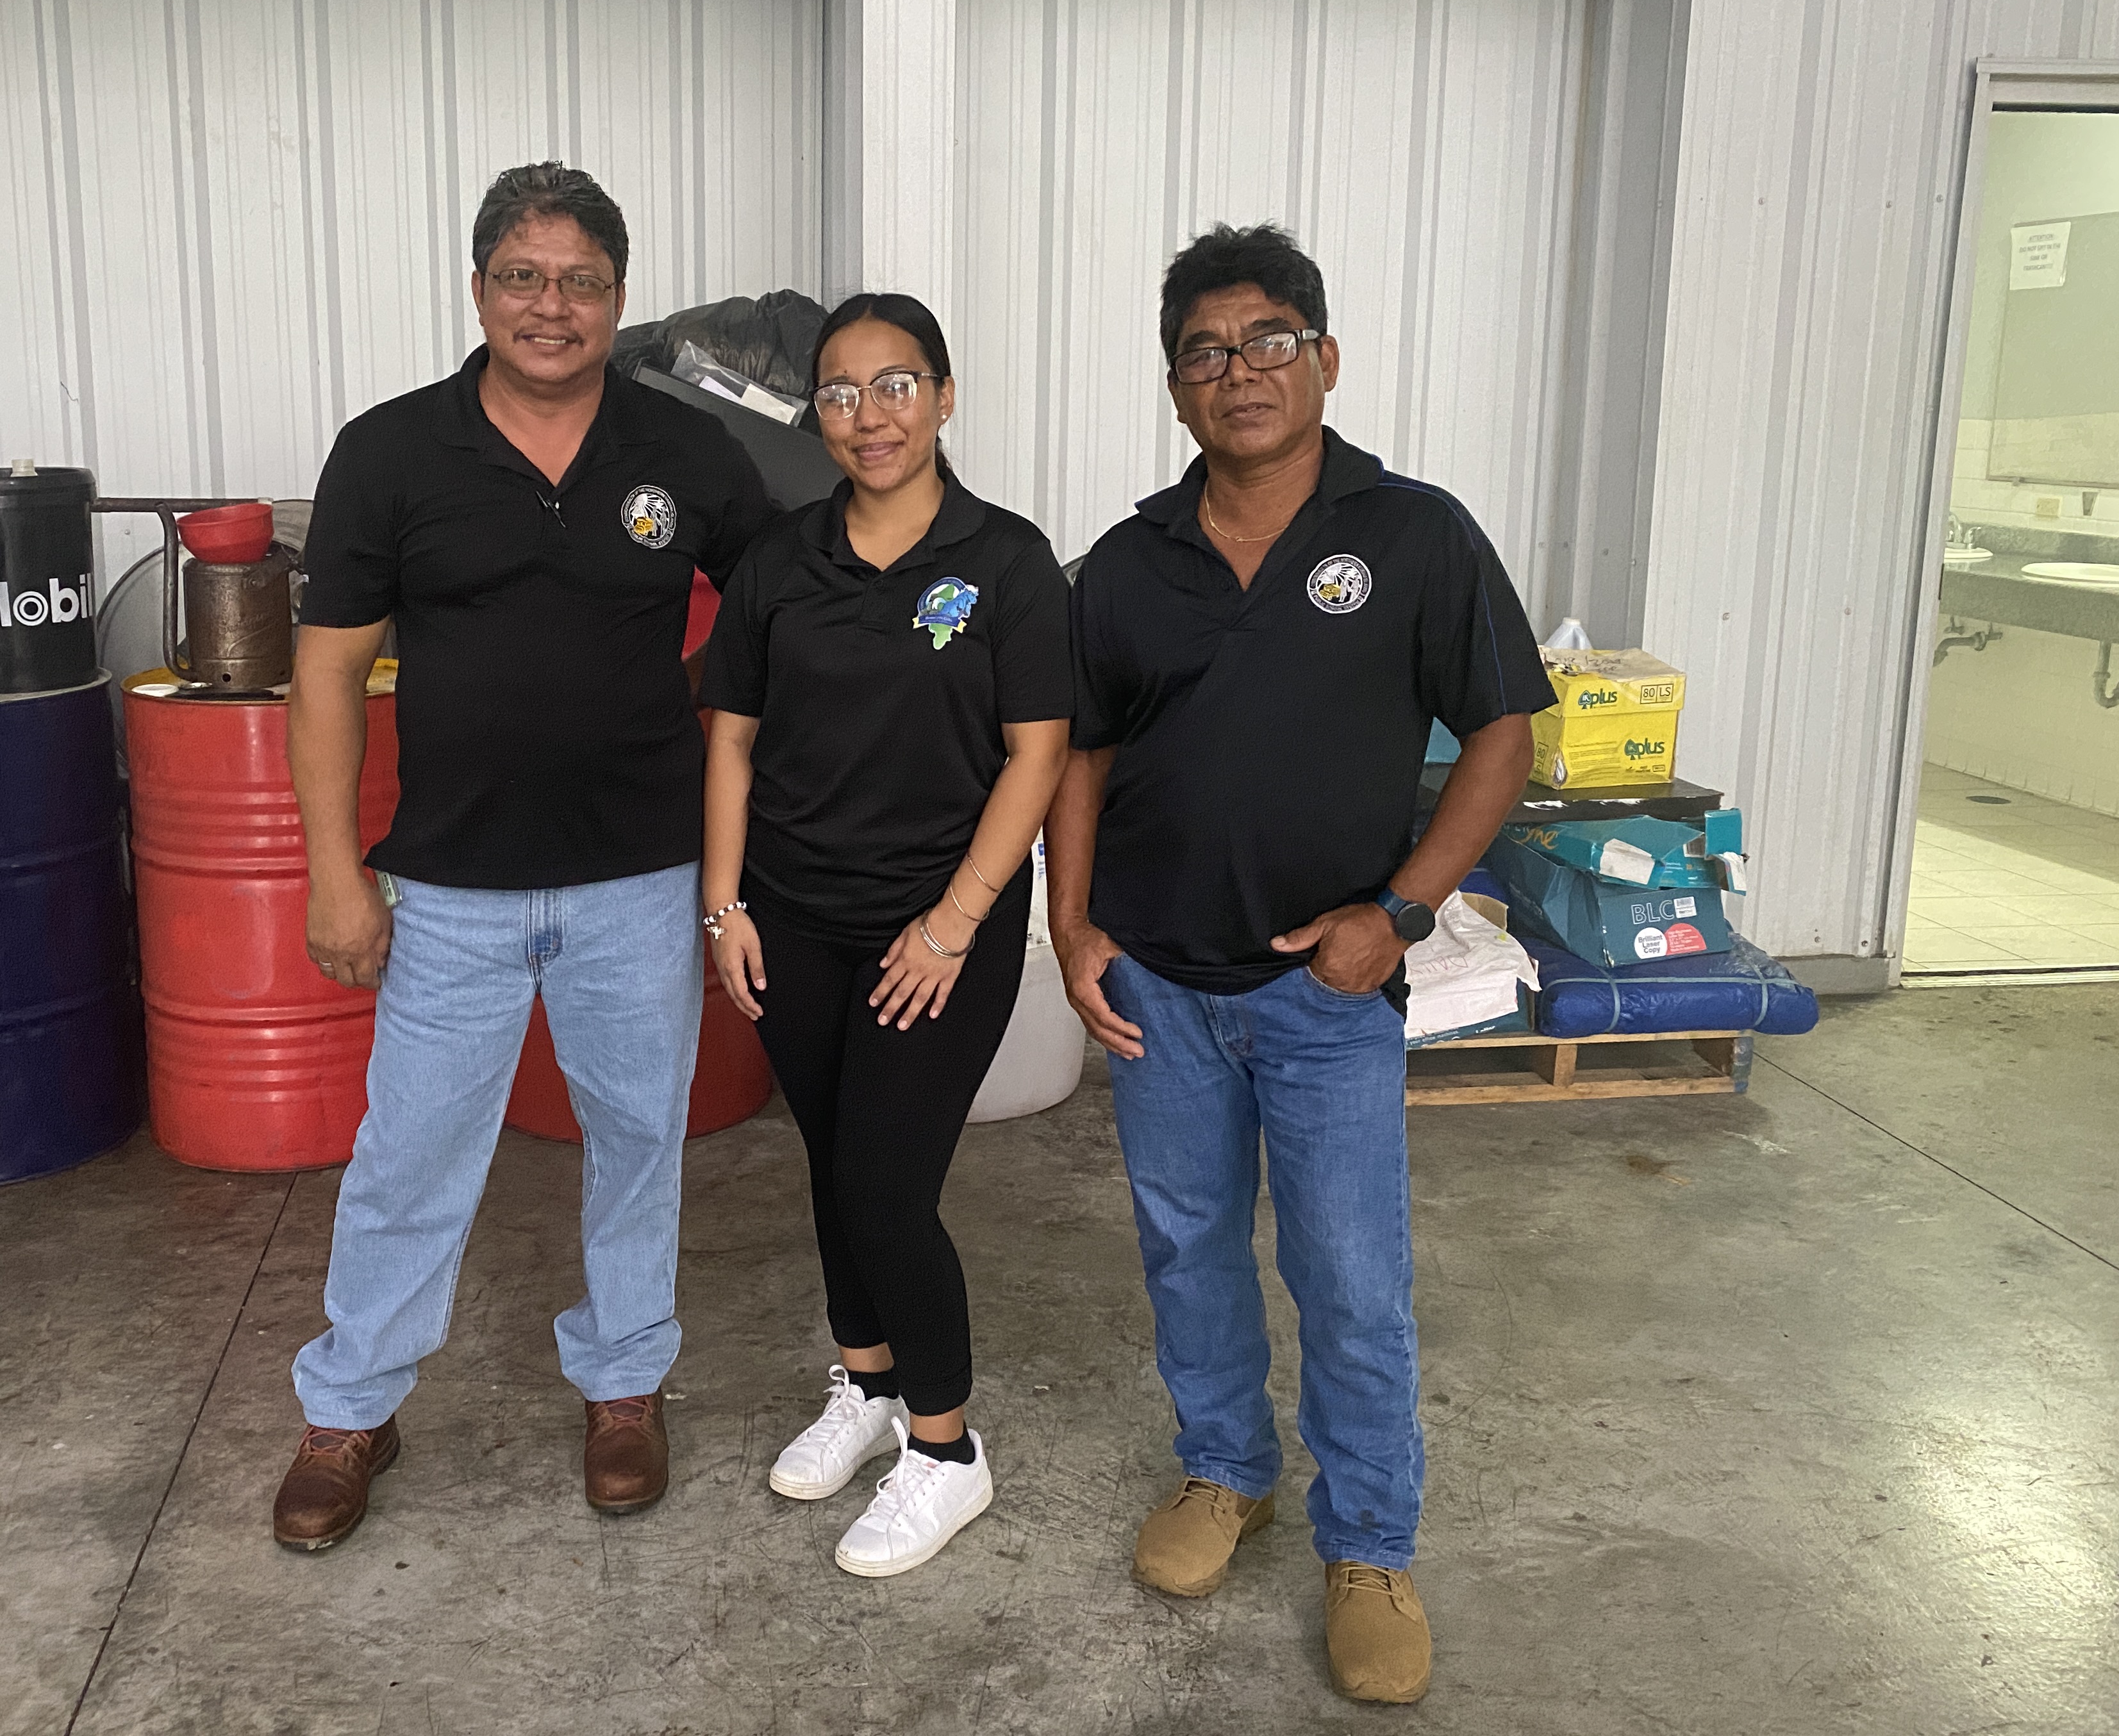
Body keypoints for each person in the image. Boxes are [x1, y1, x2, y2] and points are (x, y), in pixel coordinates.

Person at [1045, 223, 1549, 1701]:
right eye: (1205, 353)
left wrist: (1394, 915)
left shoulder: (1414, 532)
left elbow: (1504, 733)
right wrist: (1072, 930)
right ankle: (1224, 1472)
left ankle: (1370, 1546)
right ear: (1175, 387)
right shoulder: (1127, 563)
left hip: (1325, 997)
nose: (1239, 373)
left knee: (1349, 1277)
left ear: (1324, 360)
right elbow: (1082, 752)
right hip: (1158, 990)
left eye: (1269, 341)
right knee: (1187, 1248)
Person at [270, 161, 774, 1551]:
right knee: (409, 1154)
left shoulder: (682, 452)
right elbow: (325, 677)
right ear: (479, 286)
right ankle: (351, 1405)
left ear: (620, 298)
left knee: (635, 1139)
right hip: (449, 887)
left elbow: (788, 601)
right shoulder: (389, 453)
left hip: (638, 880)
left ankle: (625, 1386)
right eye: (523, 276)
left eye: (582, 282)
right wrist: (334, 871)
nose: (551, 307)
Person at [697, 293, 1072, 1577]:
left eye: (897, 384)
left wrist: (954, 924)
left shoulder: (1008, 563)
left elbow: (1038, 755)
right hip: (795, 913)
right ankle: (866, 1382)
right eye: (843, 392)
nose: (870, 415)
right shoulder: (780, 561)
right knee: (831, 1158)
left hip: (939, 924)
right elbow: (734, 740)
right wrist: (725, 903)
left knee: (885, 1183)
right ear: (820, 414)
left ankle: (948, 1450)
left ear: (947, 396)